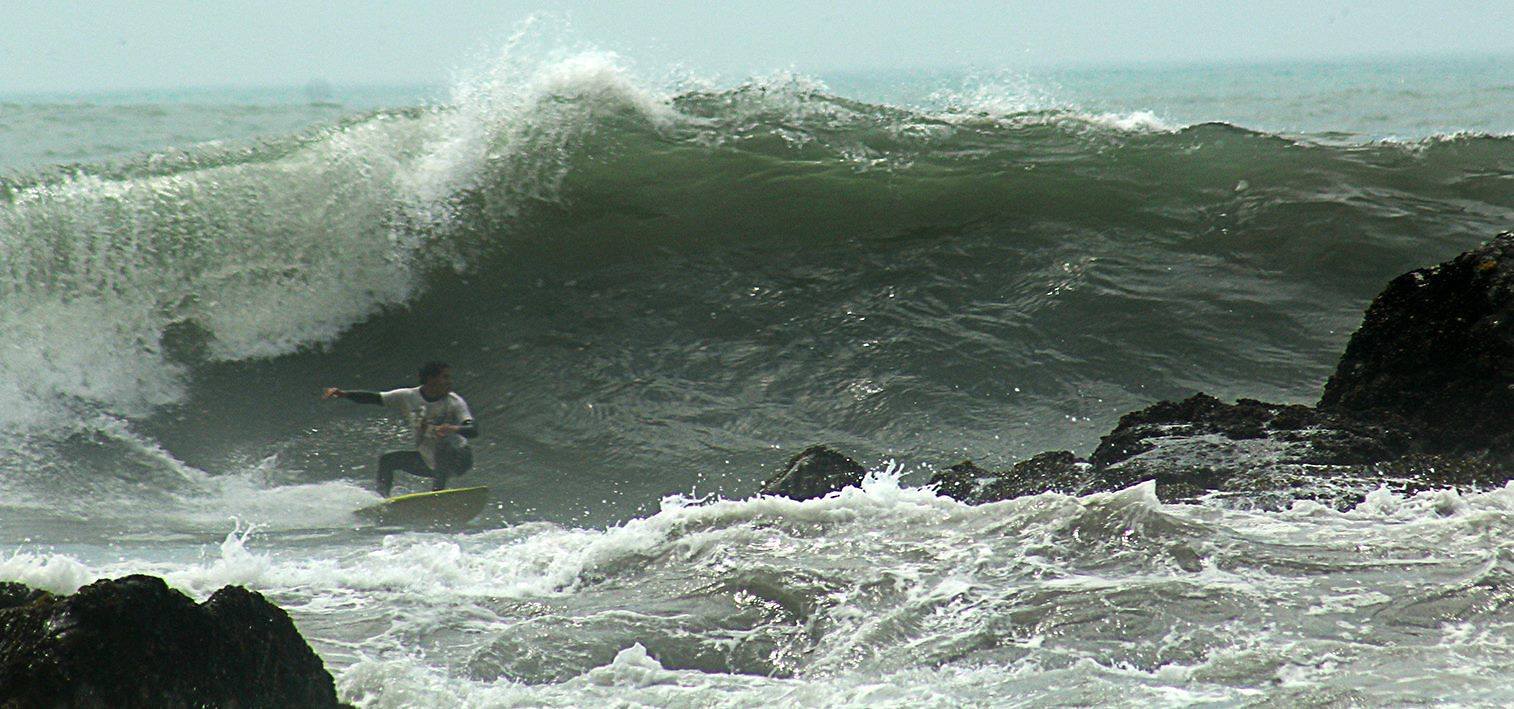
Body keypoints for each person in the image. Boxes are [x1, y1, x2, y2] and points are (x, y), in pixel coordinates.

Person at [322, 361, 477, 497]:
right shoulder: (408, 396)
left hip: (459, 459)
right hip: (429, 463)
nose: (450, 382)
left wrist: (454, 428)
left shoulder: (454, 402)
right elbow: (374, 398)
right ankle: (383, 501)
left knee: (445, 446)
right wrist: (343, 394)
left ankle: (437, 495)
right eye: (445, 377)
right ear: (431, 379)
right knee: (388, 460)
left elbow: (473, 429)